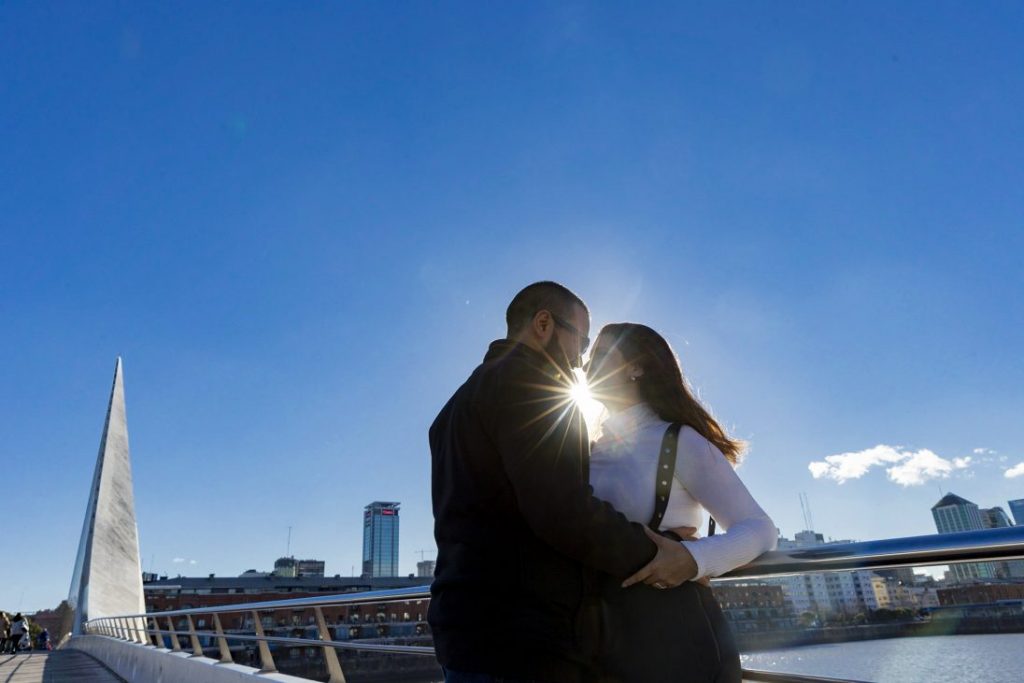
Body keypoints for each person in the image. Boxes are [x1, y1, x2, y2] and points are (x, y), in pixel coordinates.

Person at [429, 282, 698, 683]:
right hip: (522, 639)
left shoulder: (453, 408)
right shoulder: (536, 389)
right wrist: (661, 554)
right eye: (582, 340)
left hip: (463, 628)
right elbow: (563, 510)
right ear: (543, 324)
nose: (581, 360)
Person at [585, 323, 777, 683]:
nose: (584, 364)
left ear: (636, 367)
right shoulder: (589, 449)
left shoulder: (678, 441)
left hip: (670, 638)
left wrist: (695, 560)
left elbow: (760, 528)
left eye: (598, 355)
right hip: (599, 638)